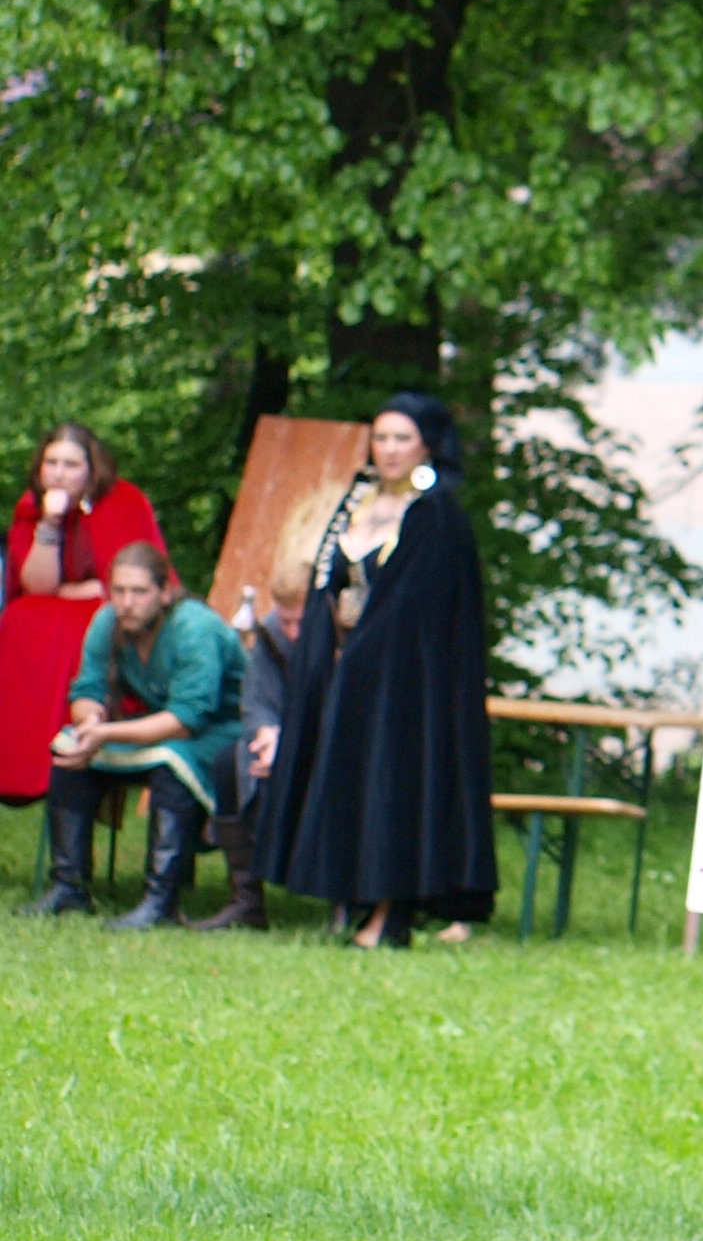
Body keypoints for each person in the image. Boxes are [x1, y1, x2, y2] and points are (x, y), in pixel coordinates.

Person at [254, 394, 497, 948]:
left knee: (392, 787)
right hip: (344, 675)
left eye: (401, 438)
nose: (388, 450)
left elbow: (420, 609)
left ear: (427, 445)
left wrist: (366, 655)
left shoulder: (437, 513)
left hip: (404, 687)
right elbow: (325, 583)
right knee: (345, 781)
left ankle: (392, 913)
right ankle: (350, 896)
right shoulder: (355, 502)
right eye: (381, 437)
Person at [26, 544, 246, 927]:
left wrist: (105, 731)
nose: (127, 603)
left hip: (223, 732)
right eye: (120, 591)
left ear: (164, 593)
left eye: (139, 592)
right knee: (69, 749)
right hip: (161, 724)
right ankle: (69, 886)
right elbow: (87, 690)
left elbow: (187, 718)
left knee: (172, 765)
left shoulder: (194, 628)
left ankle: (161, 900)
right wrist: (90, 723)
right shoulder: (107, 621)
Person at [1, 424, 166, 806]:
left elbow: (131, 584)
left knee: (83, 623)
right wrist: (49, 524)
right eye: (51, 462)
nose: (59, 472)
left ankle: (76, 740)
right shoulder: (30, 507)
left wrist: (85, 592)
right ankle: (20, 760)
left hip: (113, 614)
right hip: (53, 609)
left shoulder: (123, 502)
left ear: (92, 469)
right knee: (22, 618)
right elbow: (37, 586)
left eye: (71, 464)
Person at [189, 566, 307, 931]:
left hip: (334, 748)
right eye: (285, 621)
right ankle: (246, 902)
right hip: (278, 742)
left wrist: (291, 746)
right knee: (229, 762)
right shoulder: (272, 633)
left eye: (300, 622)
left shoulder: (343, 636)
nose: (292, 632)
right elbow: (256, 700)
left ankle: (346, 903)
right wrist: (268, 734)